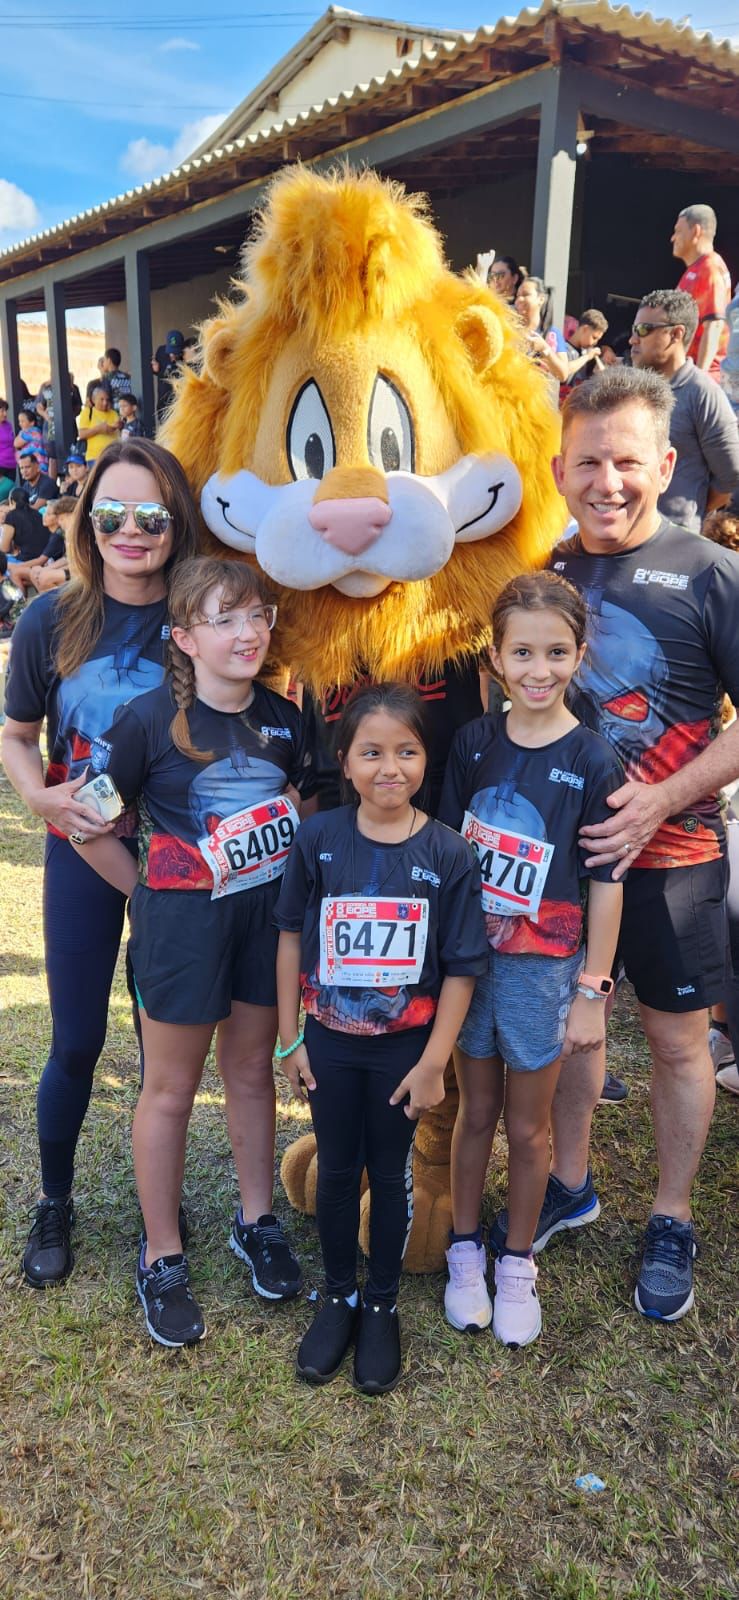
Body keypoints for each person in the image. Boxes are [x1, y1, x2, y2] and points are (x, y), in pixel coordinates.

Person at [511, 366, 739, 1322]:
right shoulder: (545, 576)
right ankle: (568, 1184)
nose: (608, 482)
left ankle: (671, 1218)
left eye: (628, 462)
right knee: (576, 1030)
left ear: (667, 464)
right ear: (558, 470)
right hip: (565, 871)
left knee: (678, 1043)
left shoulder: (709, 572)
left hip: (675, 862)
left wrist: (662, 800)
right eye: (589, 463)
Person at [67, 557, 313, 1346]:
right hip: (180, 931)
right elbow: (83, 821)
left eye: (257, 615)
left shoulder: (285, 719)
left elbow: (300, 811)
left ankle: (256, 1220)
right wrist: (144, 891)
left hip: (262, 928)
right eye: (224, 619)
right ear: (184, 638)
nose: (247, 632)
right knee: (170, 1089)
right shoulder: (145, 722)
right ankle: (162, 1253)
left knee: (249, 1071)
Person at [1, 439, 201, 1289]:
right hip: (81, 850)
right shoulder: (51, 619)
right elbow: (16, 736)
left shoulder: (200, 612)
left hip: (176, 857)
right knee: (78, 1039)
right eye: (111, 513)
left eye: (152, 515)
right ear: (87, 522)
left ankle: (161, 1202)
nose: (131, 531)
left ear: (177, 523)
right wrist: (39, 798)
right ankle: (55, 1199)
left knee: (166, 1050)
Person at [275, 682, 488, 1394]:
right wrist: (289, 1039)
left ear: (427, 758)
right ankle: (338, 1294)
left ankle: (381, 1303)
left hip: (404, 1051)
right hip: (329, 1044)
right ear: (344, 761)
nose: (389, 768)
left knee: (391, 1173)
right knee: (339, 1169)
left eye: (406, 751)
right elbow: (289, 936)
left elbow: (462, 968)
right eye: (371, 752)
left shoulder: (449, 853)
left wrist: (433, 1063)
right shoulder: (319, 838)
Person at [438, 573, 623, 1346]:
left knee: (527, 1126)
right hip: (470, 968)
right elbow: (445, 857)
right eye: (521, 652)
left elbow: (605, 883)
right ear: (494, 657)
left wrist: (590, 990)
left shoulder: (594, 758)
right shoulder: (473, 743)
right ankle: (463, 1252)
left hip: (543, 975)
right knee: (474, 1113)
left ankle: (516, 1262)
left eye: (554, 652)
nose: (537, 669)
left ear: (577, 655)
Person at [630, 289, 739, 532]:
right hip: (625, 535)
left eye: (644, 329)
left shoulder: (702, 393)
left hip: (674, 541)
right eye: (634, 329)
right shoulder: (633, 389)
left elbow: (731, 475)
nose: (633, 339)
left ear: (676, 334)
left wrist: (690, 514)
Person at [672, 203, 732, 379]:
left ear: (696, 231)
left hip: (704, 375)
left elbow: (714, 324)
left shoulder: (709, 268)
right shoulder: (695, 269)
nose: (673, 238)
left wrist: (698, 378)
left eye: (678, 231)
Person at [9, 496, 76, 594]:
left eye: (61, 519)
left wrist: (48, 570)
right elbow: (67, 559)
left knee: (42, 576)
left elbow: (77, 565)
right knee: (36, 573)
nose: (60, 522)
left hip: (78, 574)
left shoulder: (73, 534)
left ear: (71, 515)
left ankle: (53, 602)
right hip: (67, 569)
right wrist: (48, 569)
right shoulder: (65, 533)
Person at [514, 277, 569, 384]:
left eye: (525, 294)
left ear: (541, 299)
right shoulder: (510, 330)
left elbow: (563, 375)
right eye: (518, 296)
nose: (519, 299)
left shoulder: (552, 334)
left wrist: (544, 348)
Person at [561, 309, 609, 394]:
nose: (595, 343)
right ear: (584, 329)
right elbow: (564, 371)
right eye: (594, 337)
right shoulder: (563, 349)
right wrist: (587, 357)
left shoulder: (585, 352)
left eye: (598, 339)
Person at [0, 486, 48, 564]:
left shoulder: (11, 516)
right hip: (45, 557)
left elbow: (5, 548)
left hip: (26, 560)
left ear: (12, 501)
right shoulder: (38, 514)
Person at [77, 385, 119, 464]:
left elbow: (118, 430)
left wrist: (118, 425)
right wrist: (98, 429)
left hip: (113, 456)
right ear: (94, 400)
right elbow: (82, 434)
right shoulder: (87, 412)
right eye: (101, 399)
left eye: (107, 400)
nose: (105, 403)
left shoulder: (113, 413)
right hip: (95, 457)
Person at [151, 330, 184, 420]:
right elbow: (157, 370)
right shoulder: (161, 351)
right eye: (170, 351)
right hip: (163, 400)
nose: (172, 355)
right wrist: (155, 370)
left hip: (178, 402)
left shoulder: (185, 357)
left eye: (175, 352)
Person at [14, 405, 47, 473]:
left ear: (32, 423)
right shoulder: (35, 431)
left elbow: (16, 444)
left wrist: (21, 433)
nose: (20, 424)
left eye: (23, 421)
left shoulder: (32, 433)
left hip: (37, 466)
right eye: (19, 421)